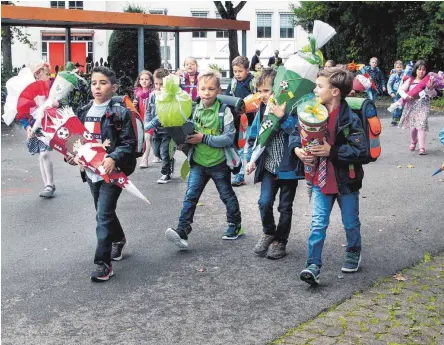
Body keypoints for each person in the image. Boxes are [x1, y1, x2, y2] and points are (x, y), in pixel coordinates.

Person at [290, 67, 368, 285]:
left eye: (319, 86)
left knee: (350, 222)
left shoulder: (350, 119)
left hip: (346, 181)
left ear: (335, 91)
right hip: (319, 180)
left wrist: (331, 151)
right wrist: (297, 150)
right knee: (317, 224)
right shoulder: (311, 110)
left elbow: (362, 151)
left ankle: (354, 251)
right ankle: (313, 264)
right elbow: (296, 134)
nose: (315, 90)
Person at [70, 66, 137, 282]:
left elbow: (129, 143)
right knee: (102, 211)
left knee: (103, 215)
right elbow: (74, 141)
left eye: (103, 83)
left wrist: (113, 157)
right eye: (93, 83)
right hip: (91, 172)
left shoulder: (120, 112)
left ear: (113, 87)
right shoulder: (82, 111)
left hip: (113, 172)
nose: (97, 87)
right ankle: (118, 239)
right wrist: (73, 156)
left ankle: (103, 263)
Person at [165, 70, 244, 250]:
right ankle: (182, 230)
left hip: (219, 164)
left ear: (219, 91)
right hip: (198, 163)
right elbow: (185, 130)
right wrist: (181, 141)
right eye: (203, 88)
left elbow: (228, 138)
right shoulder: (192, 109)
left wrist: (203, 138)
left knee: (226, 195)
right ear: (197, 91)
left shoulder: (225, 112)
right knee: (190, 196)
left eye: (211, 88)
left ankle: (234, 225)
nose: (207, 92)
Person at [246, 68, 304, 260]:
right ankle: (269, 232)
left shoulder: (292, 108)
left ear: (278, 90)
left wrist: (283, 116)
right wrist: (251, 159)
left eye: (267, 91)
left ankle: (281, 241)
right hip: (269, 167)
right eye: (260, 91)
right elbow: (254, 136)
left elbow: (296, 132)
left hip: (288, 168)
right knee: (264, 202)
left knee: (285, 207)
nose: (263, 95)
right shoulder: (262, 109)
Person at [20, 61, 56, 198]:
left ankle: (50, 184)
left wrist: (54, 104)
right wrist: (26, 126)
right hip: (34, 125)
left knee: (44, 154)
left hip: (46, 125)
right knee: (40, 156)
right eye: (46, 74)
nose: (49, 76)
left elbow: (58, 103)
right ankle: (47, 183)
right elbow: (22, 110)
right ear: (37, 74)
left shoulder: (51, 86)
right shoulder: (29, 89)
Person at [225, 55, 256, 187]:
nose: (237, 74)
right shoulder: (232, 83)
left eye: (240, 71)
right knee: (239, 148)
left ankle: (251, 164)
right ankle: (240, 174)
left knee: (251, 147)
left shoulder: (253, 82)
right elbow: (226, 98)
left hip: (252, 120)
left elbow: (258, 98)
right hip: (237, 121)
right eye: (235, 71)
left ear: (247, 70)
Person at [398, 60, 437, 155]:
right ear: (415, 70)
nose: (421, 71)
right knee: (413, 128)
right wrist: (406, 96)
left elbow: (434, 94)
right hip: (411, 106)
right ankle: (413, 141)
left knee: (421, 125)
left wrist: (431, 89)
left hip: (423, 106)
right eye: (419, 69)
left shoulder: (429, 81)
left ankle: (422, 147)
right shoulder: (410, 80)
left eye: (424, 69)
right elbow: (401, 90)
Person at [145, 68, 175, 183]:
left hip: (168, 128)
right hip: (156, 130)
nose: (158, 87)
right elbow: (148, 110)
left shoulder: (170, 96)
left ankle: (165, 174)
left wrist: (149, 125)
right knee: (156, 152)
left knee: (164, 151)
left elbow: (162, 115)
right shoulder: (153, 95)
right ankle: (169, 161)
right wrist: (146, 123)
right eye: (156, 83)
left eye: (161, 84)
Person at [133, 70, 156, 168]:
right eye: (142, 79)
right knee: (148, 138)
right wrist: (134, 105)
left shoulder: (153, 92)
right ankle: (155, 155)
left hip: (151, 118)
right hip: (141, 117)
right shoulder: (137, 92)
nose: (144, 81)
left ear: (151, 81)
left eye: (147, 79)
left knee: (148, 137)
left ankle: (145, 159)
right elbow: (135, 107)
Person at [387, 60, 404, 125]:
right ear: (395, 68)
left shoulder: (404, 73)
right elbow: (389, 84)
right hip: (395, 93)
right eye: (397, 67)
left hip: (402, 92)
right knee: (397, 105)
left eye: (400, 67)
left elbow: (409, 72)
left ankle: (400, 118)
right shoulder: (393, 75)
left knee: (402, 106)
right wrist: (391, 92)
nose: (399, 68)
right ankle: (394, 118)